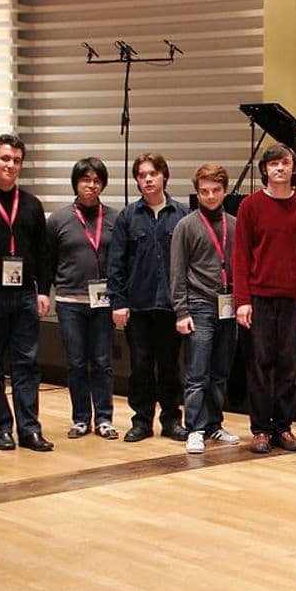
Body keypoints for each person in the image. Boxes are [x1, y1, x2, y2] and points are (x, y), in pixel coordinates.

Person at [0, 134, 54, 452]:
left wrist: (43, 291)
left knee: (27, 363)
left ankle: (30, 429)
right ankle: (1, 428)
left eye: (16, 160)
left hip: (25, 296)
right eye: (4, 159)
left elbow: (43, 254)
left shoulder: (31, 204)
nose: (10, 165)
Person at [232, 143, 296, 453]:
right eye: (273, 164)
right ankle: (260, 430)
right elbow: (240, 255)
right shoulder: (250, 206)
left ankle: (283, 427)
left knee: (288, 365)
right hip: (259, 297)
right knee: (258, 365)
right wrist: (242, 300)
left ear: (293, 169)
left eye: (285, 163)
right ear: (265, 170)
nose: (280, 169)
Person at [108, 152, 190, 443]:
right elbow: (116, 263)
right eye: (142, 175)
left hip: (170, 306)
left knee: (170, 365)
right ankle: (141, 421)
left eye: (152, 174)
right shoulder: (128, 217)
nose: (147, 180)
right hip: (139, 305)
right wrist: (118, 301)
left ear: (164, 176)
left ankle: (171, 420)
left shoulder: (181, 215)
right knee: (140, 366)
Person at [43, 157, 118, 441]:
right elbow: (49, 260)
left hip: (103, 302)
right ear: (76, 183)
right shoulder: (59, 219)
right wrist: (45, 294)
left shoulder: (114, 218)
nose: (91, 185)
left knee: (102, 362)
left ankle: (104, 419)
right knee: (76, 362)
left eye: (97, 180)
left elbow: (120, 262)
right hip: (69, 302)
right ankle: (80, 418)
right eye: (85, 180)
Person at [171, 163, 241, 454]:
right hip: (199, 307)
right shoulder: (186, 225)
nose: (210, 196)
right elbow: (177, 271)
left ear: (225, 191)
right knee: (197, 373)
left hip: (228, 307)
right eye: (204, 191)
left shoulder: (235, 224)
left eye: (215, 191)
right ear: (197, 193)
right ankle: (195, 428)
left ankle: (214, 424)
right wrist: (181, 311)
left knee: (220, 372)